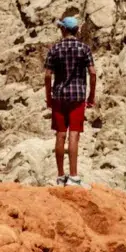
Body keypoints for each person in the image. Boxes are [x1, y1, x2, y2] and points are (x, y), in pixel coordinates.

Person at [44, 15, 97, 186]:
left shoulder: (54, 49)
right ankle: (74, 177)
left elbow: (47, 75)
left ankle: (60, 176)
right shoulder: (84, 48)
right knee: (74, 134)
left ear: (64, 29)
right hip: (77, 97)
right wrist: (91, 96)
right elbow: (93, 73)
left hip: (59, 96)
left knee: (60, 134)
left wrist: (48, 97)